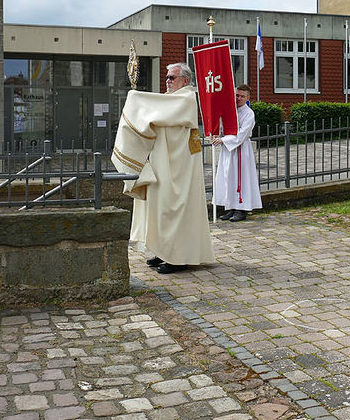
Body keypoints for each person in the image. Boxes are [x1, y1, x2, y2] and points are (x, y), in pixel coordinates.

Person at [111, 62, 214, 274]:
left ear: (185, 80)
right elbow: (155, 111)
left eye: (172, 77)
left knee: (172, 209)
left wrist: (135, 97)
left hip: (178, 169)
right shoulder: (170, 100)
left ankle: (178, 258)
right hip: (163, 164)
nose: (167, 81)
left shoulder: (186, 99)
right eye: (166, 77)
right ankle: (163, 251)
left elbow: (155, 109)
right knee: (159, 208)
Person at [211, 84, 262, 222]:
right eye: (237, 95)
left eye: (242, 96)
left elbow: (242, 134)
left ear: (248, 98)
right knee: (228, 177)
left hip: (241, 149)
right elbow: (223, 127)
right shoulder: (229, 111)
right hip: (228, 150)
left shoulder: (249, 114)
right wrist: (217, 134)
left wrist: (223, 140)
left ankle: (242, 209)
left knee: (241, 178)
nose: (238, 98)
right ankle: (230, 207)